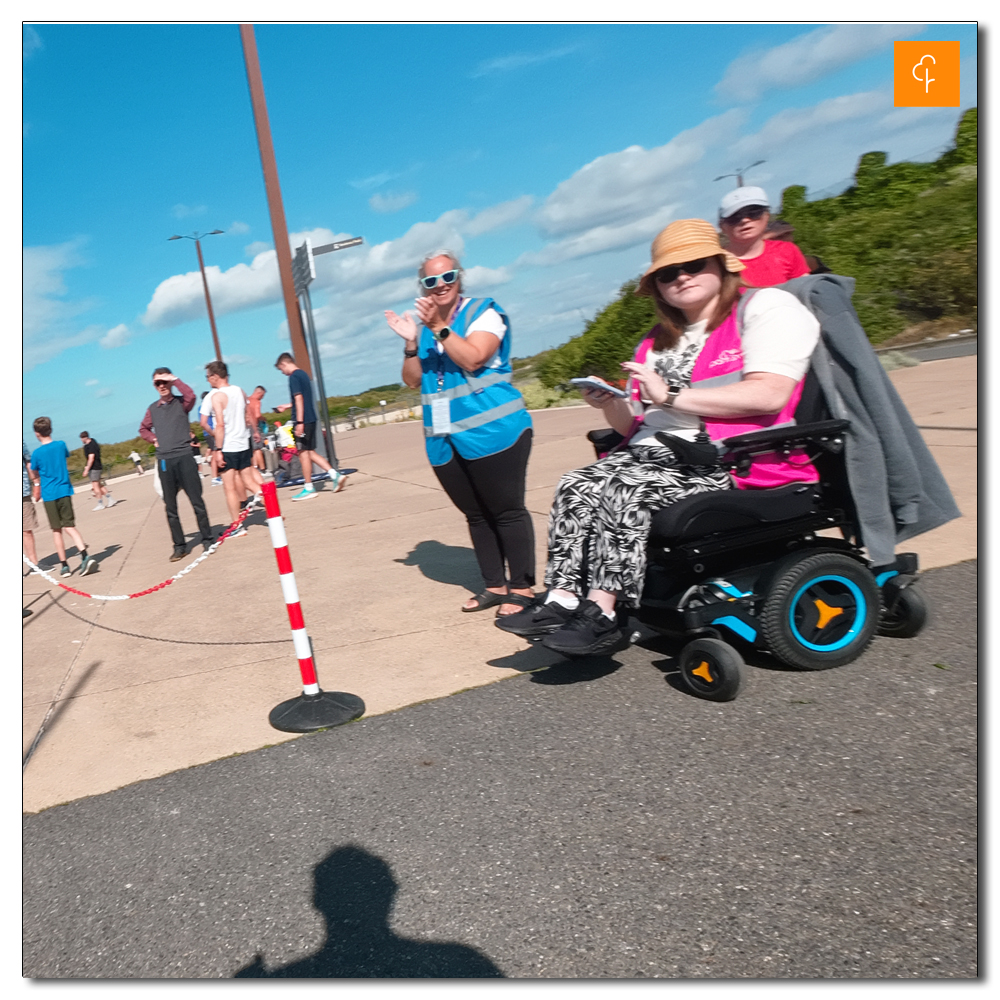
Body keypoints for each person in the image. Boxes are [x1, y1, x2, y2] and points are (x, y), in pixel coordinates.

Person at [497, 219, 820, 655]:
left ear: (721, 265)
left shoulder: (766, 308)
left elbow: (769, 393)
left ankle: (603, 614)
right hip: (655, 455)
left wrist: (669, 394)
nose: (681, 276)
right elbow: (635, 426)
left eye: (693, 264)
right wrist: (608, 402)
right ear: (658, 286)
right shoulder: (655, 342)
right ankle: (562, 599)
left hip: (727, 461)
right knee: (576, 484)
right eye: (668, 272)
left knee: (623, 489)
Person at [385, 249, 536, 617]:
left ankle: (523, 588)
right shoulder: (425, 328)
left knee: (506, 511)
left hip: (494, 431)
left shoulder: (483, 312)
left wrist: (438, 326)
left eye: (447, 277)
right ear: (422, 285)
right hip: (444, 438)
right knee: (475, 514)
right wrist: (409, 343)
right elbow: (413, 380)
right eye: (430, 281)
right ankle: (494, 586)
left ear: (459, 278)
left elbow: (473, 358)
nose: (440, 286)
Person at [138, 367, 215, 561]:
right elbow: (143, 428)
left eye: (165, 382)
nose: (162, 386)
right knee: (170, 507)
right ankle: (180, 546)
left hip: (184, 456)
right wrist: (153, 439)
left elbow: (191, 395)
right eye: (158, 383)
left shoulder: (182, 403)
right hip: (165, 460)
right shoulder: (152, 409)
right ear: (154, 386)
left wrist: (174, 379)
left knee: (197, 501)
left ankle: (207, 538)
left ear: (170, 383)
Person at [199, 360, 263, 536]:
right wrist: (254, 431)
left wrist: (218, 449)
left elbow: (220, 425)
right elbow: (247, 414)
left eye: (208, 377)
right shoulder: (239, 391)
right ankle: (273, 509)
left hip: (228, 445)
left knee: (229, 488)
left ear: (215, 376)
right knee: (250, 481)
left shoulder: (217, 396)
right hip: (243, 442)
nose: (208, 381)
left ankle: (237, 526)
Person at [30, 417, 98, 577]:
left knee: (56, 530)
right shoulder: (61, 445)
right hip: (64, 490)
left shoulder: (37, 453)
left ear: (36, 434)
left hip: (49, 494)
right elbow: (64, 456)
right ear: (50, 429)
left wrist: (37, 483)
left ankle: (64, 565)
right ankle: (84, 554)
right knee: (70, 526)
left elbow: (34, 471)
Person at [273, 353, 346, 500]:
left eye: (281, 370)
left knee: (303, 453)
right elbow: (303, 399)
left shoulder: (293, 377)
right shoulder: (303, 375)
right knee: (309, 451)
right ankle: (334, 475)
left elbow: (299, 398)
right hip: (311, 418)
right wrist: (288, 406)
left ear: (284, 364)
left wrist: (299, 422)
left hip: (303, 421)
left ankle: (308, 487)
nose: (283, 373)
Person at [718, 186, 810, 288]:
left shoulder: (787, 250)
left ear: (767, 215)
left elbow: (804, 292)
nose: (745, 220)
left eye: (753, 213)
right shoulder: (717, 264)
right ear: (722, 226)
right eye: (735, 217)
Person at [79, 431, 116, 510]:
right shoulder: (92, 442)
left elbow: (91, 458)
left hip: (95, 468)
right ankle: (110, 499)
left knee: (95, 486)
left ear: (85, 438)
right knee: (99, 485)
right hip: (95, 467)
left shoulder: (91, 446)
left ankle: (100, 503)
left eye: (82, 438)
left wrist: (87, 469)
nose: (81, 440)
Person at [199, 392, 224, 486]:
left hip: (207, 433)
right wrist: (214, 433)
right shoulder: (208, 406)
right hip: (211, 432)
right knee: (215, 454)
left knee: (214, 453)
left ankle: (217, 474)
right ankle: (215, 477)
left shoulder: (201, 408)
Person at [23, 441, 41, 569]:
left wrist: (36, 483)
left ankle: (34, 564)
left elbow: (29, 462)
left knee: (26, 529)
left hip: (22, 492)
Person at [246, 385, 268, 471]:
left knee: (252, 449)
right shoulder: (256, 401)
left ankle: (255, 467)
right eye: (262, 395)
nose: (262, 398)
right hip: (254, 425)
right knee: (258, 448)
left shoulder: (246, 400)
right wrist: (263, 419)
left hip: (245, 426)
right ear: (258, 393)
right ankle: (263, 468)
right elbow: (257, 415)